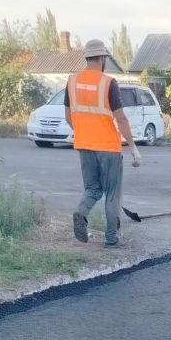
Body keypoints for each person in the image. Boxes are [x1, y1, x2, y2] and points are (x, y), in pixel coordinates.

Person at [65, 39, 141, 247]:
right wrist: (133, 148)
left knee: (92, 188)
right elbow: (121, 118)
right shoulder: (108, 83)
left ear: (87, 58)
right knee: (112, 193)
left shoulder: (71, 82)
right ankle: (111, 237)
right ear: (102, 58)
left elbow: (68, 116)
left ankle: (81, 213)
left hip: (84, 145)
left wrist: (83, 132)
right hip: (108, 146)